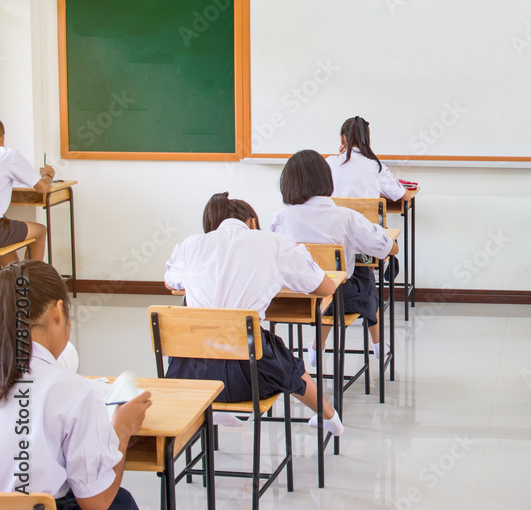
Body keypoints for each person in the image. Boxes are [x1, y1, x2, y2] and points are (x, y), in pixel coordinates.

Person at [164, 192, 344, 436]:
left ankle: (216, 407)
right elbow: (326, 287)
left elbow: (170, 282)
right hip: (248, 379)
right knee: (282, 358)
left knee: (220, 329)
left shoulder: (190, 244)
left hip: (189, 376)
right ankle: (329, 416)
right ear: (251, 222)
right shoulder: (272, 242)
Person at [0, 260, 152, 510]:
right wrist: (122, 428)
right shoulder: (73, 390)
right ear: (58, 312)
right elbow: (95, 502)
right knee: (120, 501)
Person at [271, 149, 398, 366]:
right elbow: (386, 248)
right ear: (325, 178)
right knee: (363, 276)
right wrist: (392, 244)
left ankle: (316, 347)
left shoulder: (282, 218)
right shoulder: (346, 217)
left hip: (296, 297)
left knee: (326, 281)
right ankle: (377, 343)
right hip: (339, 300)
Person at [0, 120, 55, 265]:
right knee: (40, 231)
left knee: (7, 241)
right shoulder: (8, 155)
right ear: (2, 137)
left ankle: (18, 283)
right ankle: (31, 284)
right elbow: (42, 188)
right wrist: (48, 175)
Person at [327, 116, 413, 202]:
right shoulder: (377, 168)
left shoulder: (329, 163)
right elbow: (405, 196)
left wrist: (341, 155)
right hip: (365, 216)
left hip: (336, 215)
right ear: (367, 139)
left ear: (342, 139)